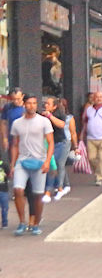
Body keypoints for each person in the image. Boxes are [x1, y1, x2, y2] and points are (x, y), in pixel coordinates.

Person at [9, 95, 54, 236]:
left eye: (34, 103)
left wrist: (47, 162)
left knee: (38, 195)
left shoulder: (44, 121)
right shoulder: (17, 123)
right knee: (18, 190)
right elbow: (15, 145)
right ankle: (22, 222)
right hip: (22, 161)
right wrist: (12, 164)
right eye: (29, 103)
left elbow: (51, 142)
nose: (32, 106)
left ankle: (35, 224)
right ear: (24, 104)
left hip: (39, 162)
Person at [42, 96, 68, 204]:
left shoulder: (60, 114)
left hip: (59, 143)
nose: (46, 105)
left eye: (48, 104)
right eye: (45, 103)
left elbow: (61, 125)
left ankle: (54, 189)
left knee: (56, 165)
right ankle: (62, 186)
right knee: (53, 165)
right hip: (47, 144)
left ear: (54, 106)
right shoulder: (42, 115)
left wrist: (50, 116)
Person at [1, 89, 24, 155]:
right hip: (12, 139)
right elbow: (3, 123)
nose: (16, 101)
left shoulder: (27, 106)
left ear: (22, 96)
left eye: (18, 99)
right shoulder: (8, 107)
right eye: (13, 99)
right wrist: (4, 138)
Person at [0, 154, 8, 229]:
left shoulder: (4, 165)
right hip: (3, 189)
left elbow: (9, 174)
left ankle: (4, 223)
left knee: (5, 208)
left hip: (3, 189)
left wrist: (6, 175)